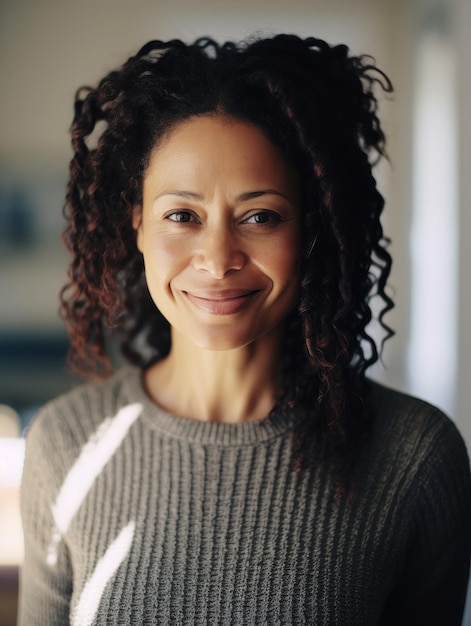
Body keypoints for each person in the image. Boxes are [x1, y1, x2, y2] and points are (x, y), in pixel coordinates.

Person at [19, 34, 471, 625]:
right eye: (182, 215)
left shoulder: (415, 455)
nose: (217, 256)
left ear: (312, 232)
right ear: (137, 226)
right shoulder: (64, 441)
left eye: (260, 216)